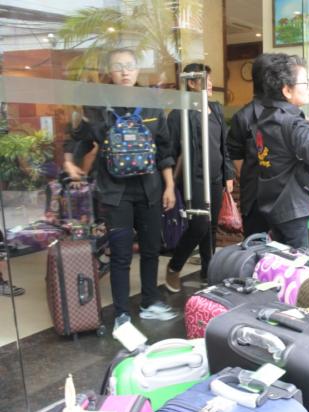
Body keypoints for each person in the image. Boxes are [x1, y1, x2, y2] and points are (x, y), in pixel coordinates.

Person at [64, 48, 177, 332]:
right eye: (118, 66)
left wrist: (170, 186)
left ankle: (149, 302)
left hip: (150, 189)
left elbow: (164, 148)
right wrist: (69, 161)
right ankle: (122, 315)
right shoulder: (98, 106)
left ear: (138, 69)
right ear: (109, 72)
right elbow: (80, 139)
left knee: (151, 250)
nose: (125, 71)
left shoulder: (151, 103)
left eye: (129, 65)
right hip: (115, 193)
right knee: (121, 254)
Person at [256, 53, 309, 248]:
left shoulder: (267, 116)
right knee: (303, 264)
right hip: (296, 210)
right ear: (287, 90)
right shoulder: (292, 122)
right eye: (305, 82)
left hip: (274, 204)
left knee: (284, 262)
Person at [164, 63, 235, 291]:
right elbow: (169, 151)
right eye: (206, 80)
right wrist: (168, 185)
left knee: (210, 227)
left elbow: (223, 145)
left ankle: (208, 270)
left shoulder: (215, 109)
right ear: (192, 83)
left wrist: (228, 174)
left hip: (215, 177)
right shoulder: (179, 114)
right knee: (199, 226)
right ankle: (174, 267)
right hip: (193, 179)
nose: (211, 84)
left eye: (210, 79)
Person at [227, 54, 275, 237]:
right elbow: (236, 156)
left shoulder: (292, 113)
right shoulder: (244, 117)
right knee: (257, 245)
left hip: (287, 201)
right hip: (256, 199)